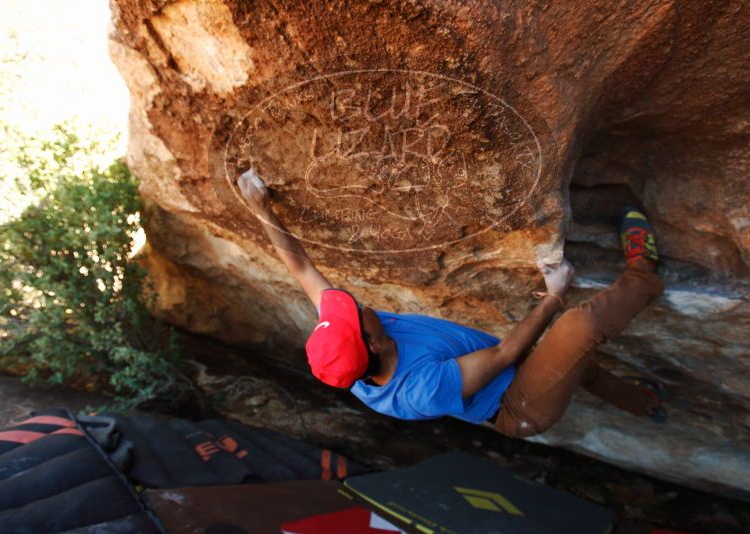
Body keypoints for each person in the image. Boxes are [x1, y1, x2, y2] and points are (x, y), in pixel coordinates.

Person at [237, 168, 666, 439]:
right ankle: (645, 273)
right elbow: (503, 354)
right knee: (575, 331)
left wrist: (261, 209)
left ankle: (647, 404)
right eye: (354, 316)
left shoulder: (349, 349)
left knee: (578, 366)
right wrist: (554, 295)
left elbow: (302, 271)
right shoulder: (419, 390)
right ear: (375, 344)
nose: (351, 304)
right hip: (520, 406)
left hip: (511, 374)